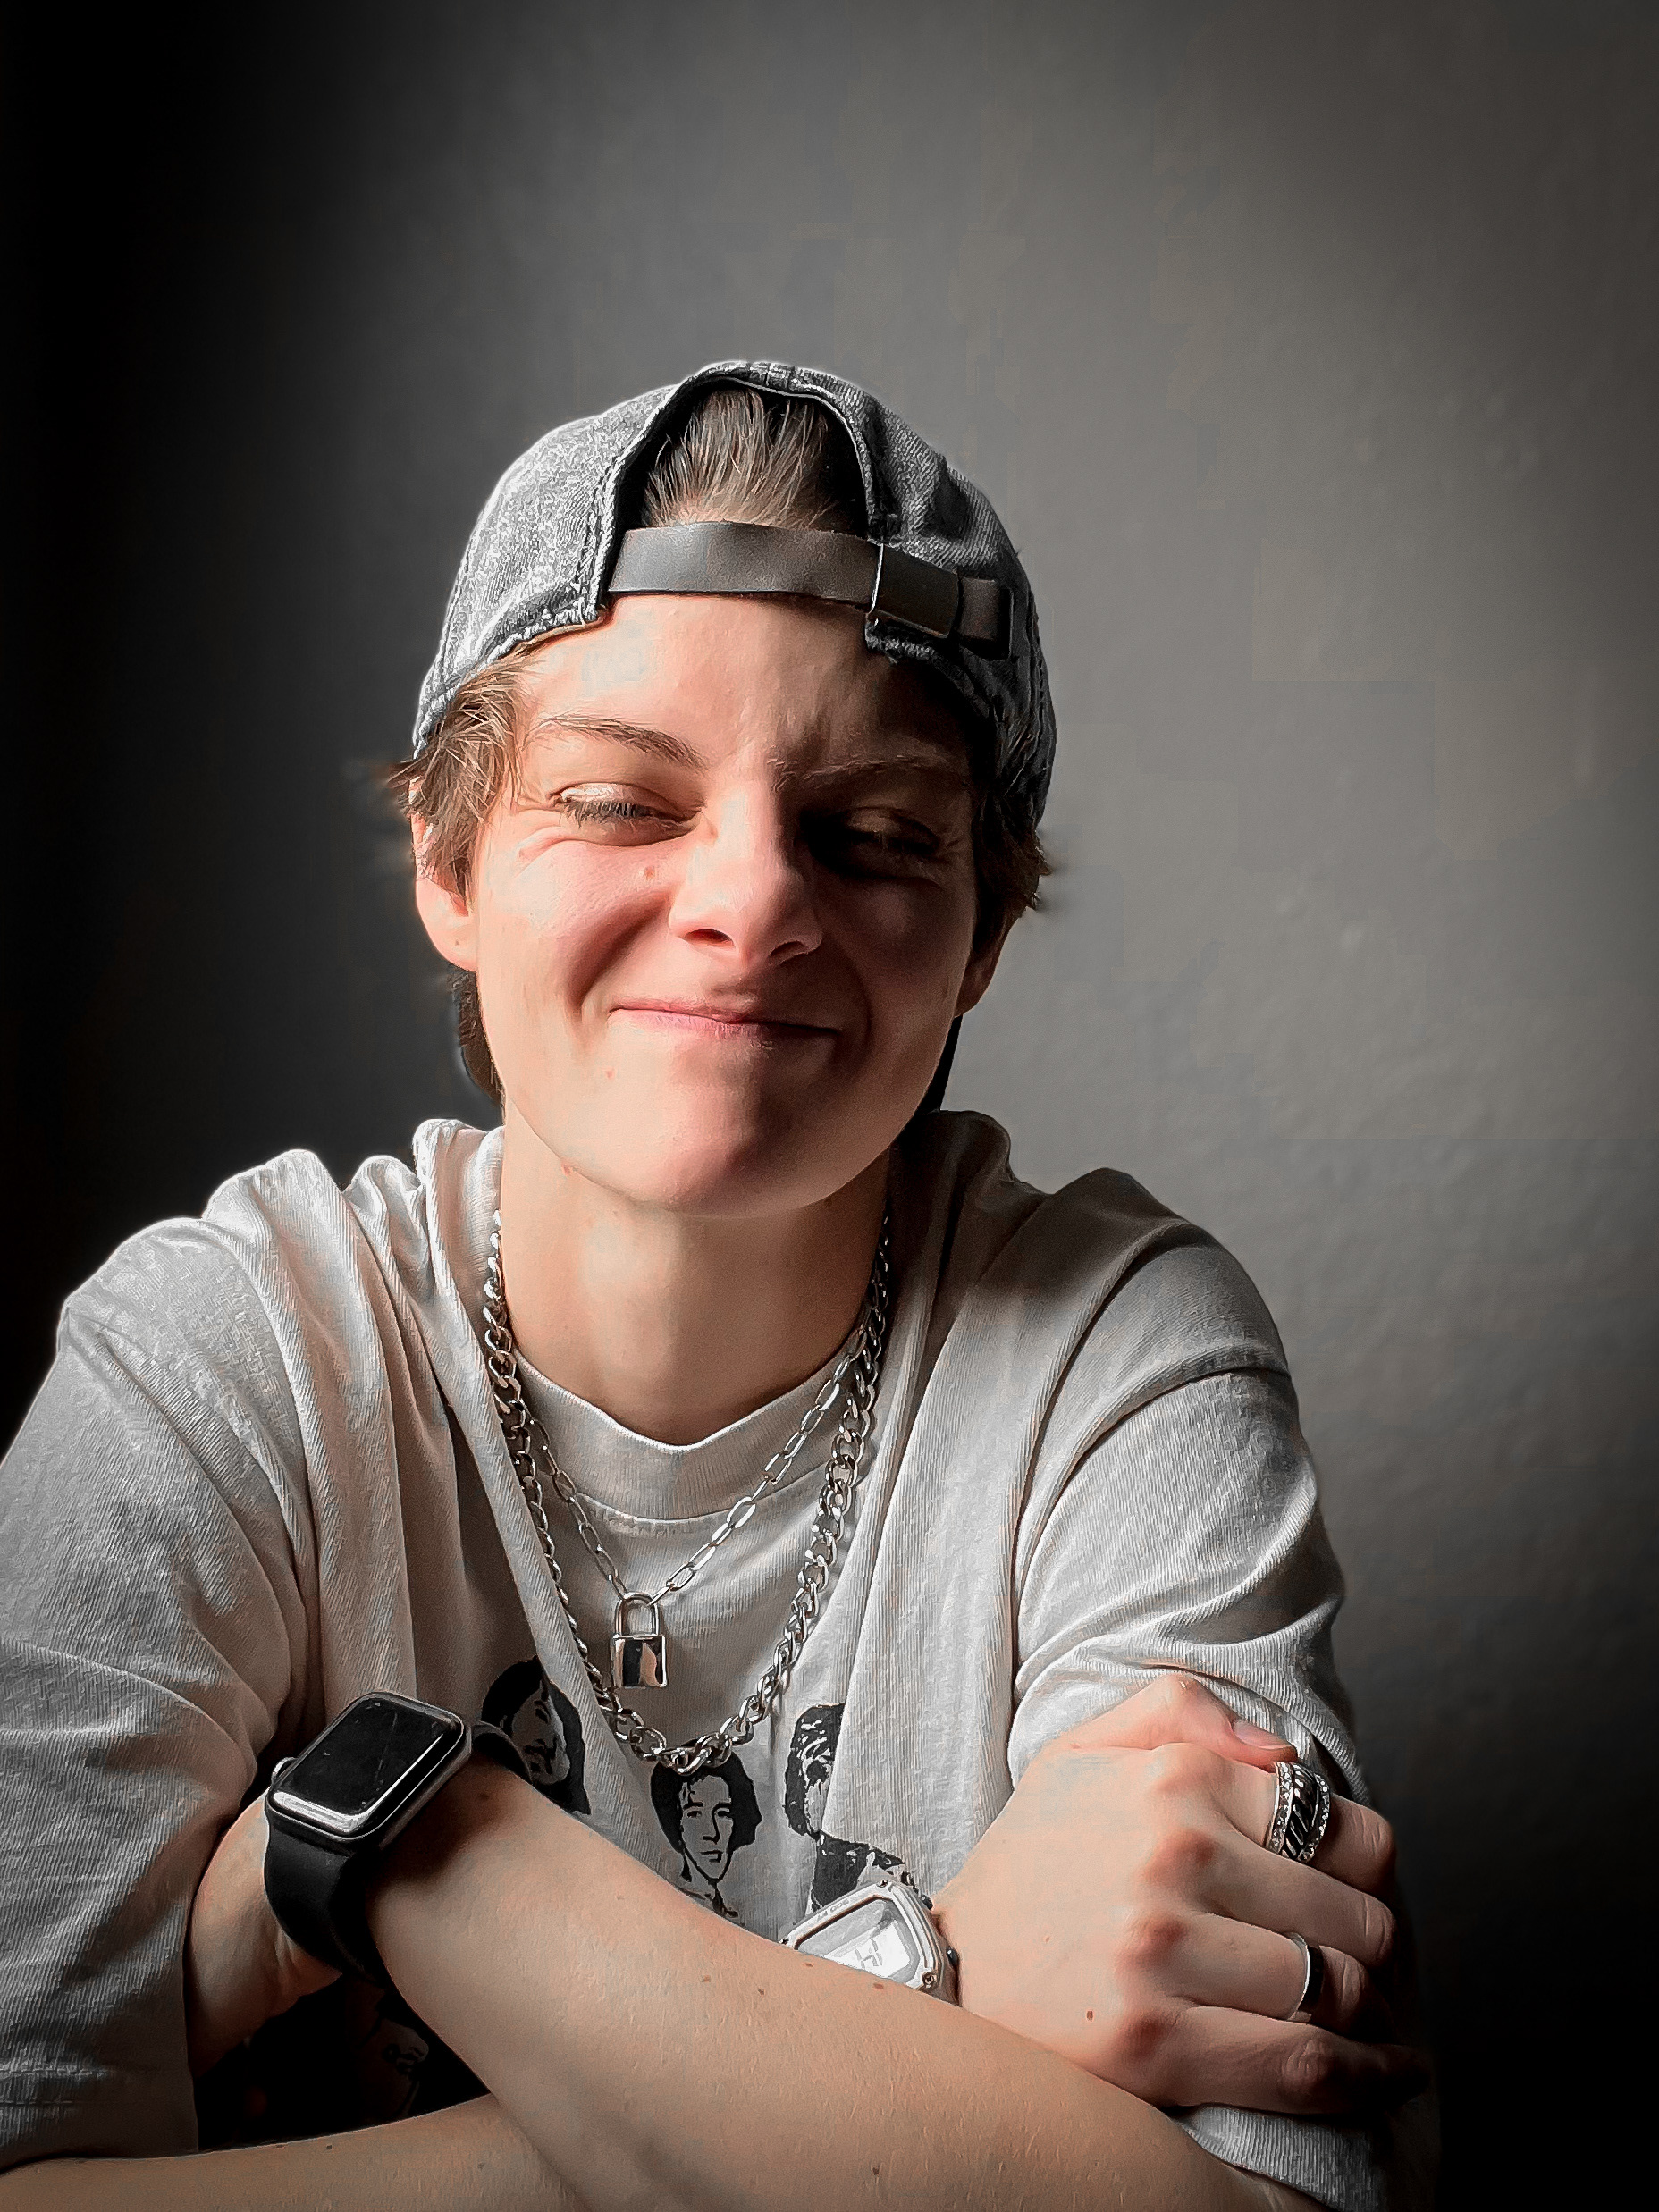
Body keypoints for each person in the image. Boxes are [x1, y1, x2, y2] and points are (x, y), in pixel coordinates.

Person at [0, 363, 1433, 2209]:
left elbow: (1269, 2200)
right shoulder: (221, 1365)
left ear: (983, 931)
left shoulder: (1117, 1359)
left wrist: (420, 1855)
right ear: (448, 861)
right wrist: (920, 1988)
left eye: (875, 833)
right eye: (619, 799)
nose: (752, 901)